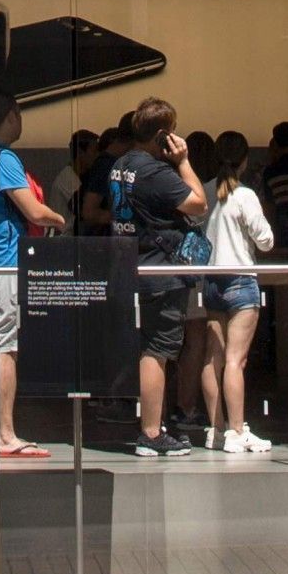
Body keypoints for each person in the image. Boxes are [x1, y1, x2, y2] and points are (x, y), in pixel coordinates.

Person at [105, 98, 204, 458]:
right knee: (157, 351)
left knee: (146, 348)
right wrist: (183, 161)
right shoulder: (156, 172)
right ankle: (150, 431)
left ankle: (152, 425)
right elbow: (198, 202)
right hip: (159, 271)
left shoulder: (120, 165)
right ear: (163, 135)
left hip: (129, 265)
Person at [0, 87, 60, 458]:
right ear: (11, 117)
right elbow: (34, 211)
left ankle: (1, 431)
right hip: (5, 263)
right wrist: (58, 219)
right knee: (7, 348)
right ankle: (5, 435)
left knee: (0, 344)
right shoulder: (2, 157)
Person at [202, 128, 276, 454]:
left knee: (212, 358)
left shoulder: (203, 192)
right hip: (241, 280)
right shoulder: (245, 195)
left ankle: (215, 429)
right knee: (235, 361)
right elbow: (266, 240)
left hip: (211, 280)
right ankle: (236, 431)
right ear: (245, 160)